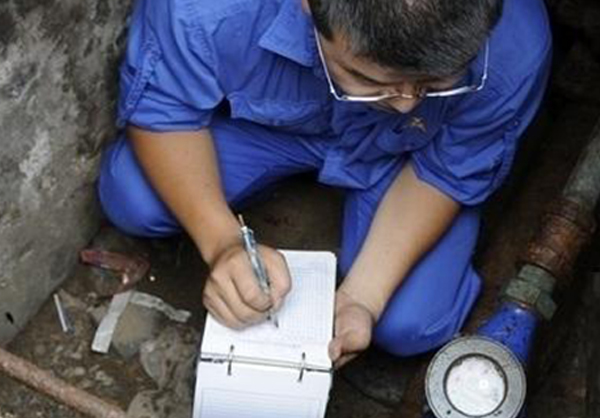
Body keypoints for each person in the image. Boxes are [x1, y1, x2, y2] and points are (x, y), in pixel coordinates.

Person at [98, 0, 551, 367]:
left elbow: (446, 171)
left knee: (409, 324)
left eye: (434, 85)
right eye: (368, 79)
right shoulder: (206, 7)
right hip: (276, 130)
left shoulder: (515, 44)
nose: (405, 104)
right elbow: (166, 112)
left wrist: (363, 299)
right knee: (135, 195)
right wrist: (223, 242)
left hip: (404, 156)